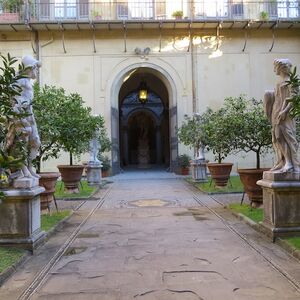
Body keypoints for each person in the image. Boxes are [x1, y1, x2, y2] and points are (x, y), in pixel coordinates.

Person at [6, 55, 42, 179]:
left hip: (29, 114)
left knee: (36, 142)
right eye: (35, 68)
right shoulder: (19, 80)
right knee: (22, 143)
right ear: (29, 68)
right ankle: (24, 170)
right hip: (20, 115)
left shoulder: (27, 82)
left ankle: (29, 168)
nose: (36, 71)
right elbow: (13, 99)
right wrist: (21, 106)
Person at [264, 59, 300, 173]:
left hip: (286, 113)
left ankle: (291, 163)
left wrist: (285, 111)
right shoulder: (279, 83)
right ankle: (285, 161)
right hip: (276, 110)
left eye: (277, 66)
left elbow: (294, 99)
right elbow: (277, 97)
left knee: (288, 136)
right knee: (278, 136)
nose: (276, 69)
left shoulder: (292, 82)